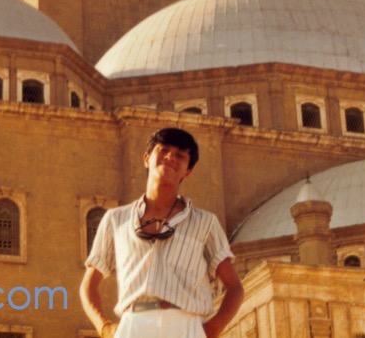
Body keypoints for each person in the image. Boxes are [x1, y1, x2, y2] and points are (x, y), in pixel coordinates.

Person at [80, 127, 244, 338]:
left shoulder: (205, 223)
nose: (170, 157)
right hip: (133, 325)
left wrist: (211, 330)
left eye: (180, 155)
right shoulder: (115, 219)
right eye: (163, 150)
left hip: (186, 325)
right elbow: (89, 284)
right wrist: (104, 327)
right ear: (147, 158)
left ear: (188, 171)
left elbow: (235, 288)